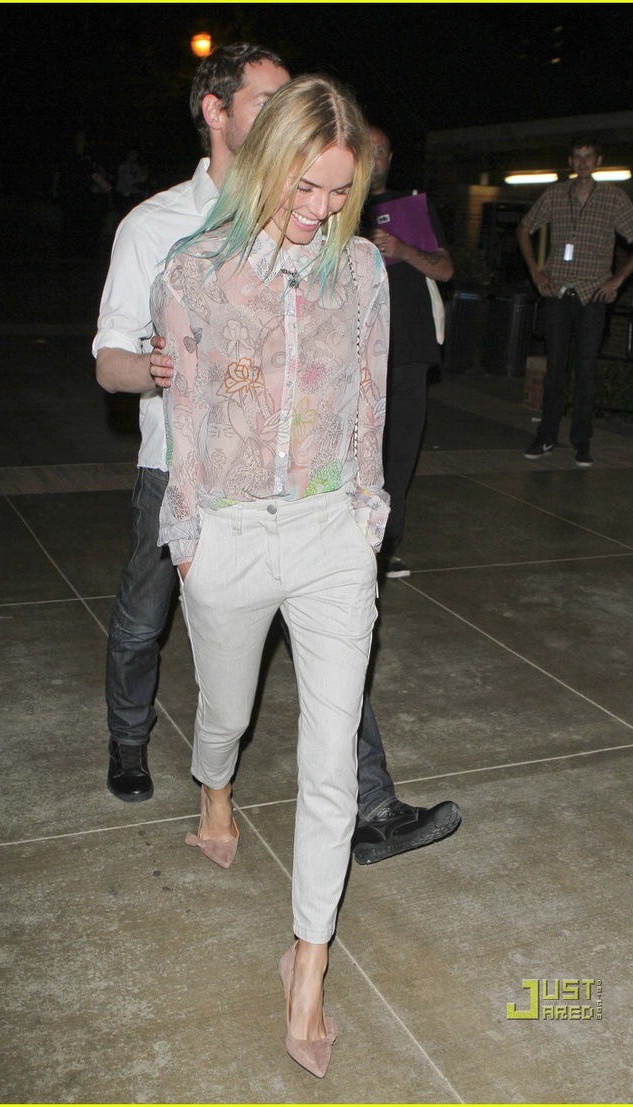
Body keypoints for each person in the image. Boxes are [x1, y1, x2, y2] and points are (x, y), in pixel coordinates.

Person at [94, 45, 460, 864]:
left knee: (333, 655)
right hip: (183, 469)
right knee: (146, 620)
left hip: (303, 497)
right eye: (265, 98)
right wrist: (161, 368)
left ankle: (369, 800)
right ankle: (137, 744)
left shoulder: (323, 227)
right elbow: (109, 360)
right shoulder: (158, 227)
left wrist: (363, 511)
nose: (283, 109)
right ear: (216, 111)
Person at [153, 72, 390, 1079]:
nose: (321, 209)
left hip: (330, 533)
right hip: (231, 533)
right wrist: (189, 538)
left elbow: (369, 402)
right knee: (227, 711)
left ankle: (307, 963)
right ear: (265, 165)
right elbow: (186, 422)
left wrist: (367, 517)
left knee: (330, 762)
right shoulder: (195, 271)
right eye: (305, 186)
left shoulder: (362, 270)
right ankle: (213, 784)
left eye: (339, 191)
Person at [517, 135, 633, 467]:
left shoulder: (613, 198)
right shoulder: (555, 194)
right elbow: (524, 228)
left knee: (586, 370)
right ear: (570, 162)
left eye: (588, 157)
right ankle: (546, 436)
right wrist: (536, 271)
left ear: (598, 161)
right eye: (577, 157)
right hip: (557, 292)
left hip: (593, 294)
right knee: (555, 369)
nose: (582, 163)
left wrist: (618, 280)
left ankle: (582, 440)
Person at [364, 126, 454, 578]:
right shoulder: (333, 205)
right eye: (366, 149)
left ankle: (386, 548)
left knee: (399, 455)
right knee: (358, 456)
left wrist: (402, 249)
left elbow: (446, 268)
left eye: (380, 150)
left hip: (410, 348)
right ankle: (353, 548)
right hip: (356, 355)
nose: (373, 157)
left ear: (391, 157)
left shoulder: (412, 206)